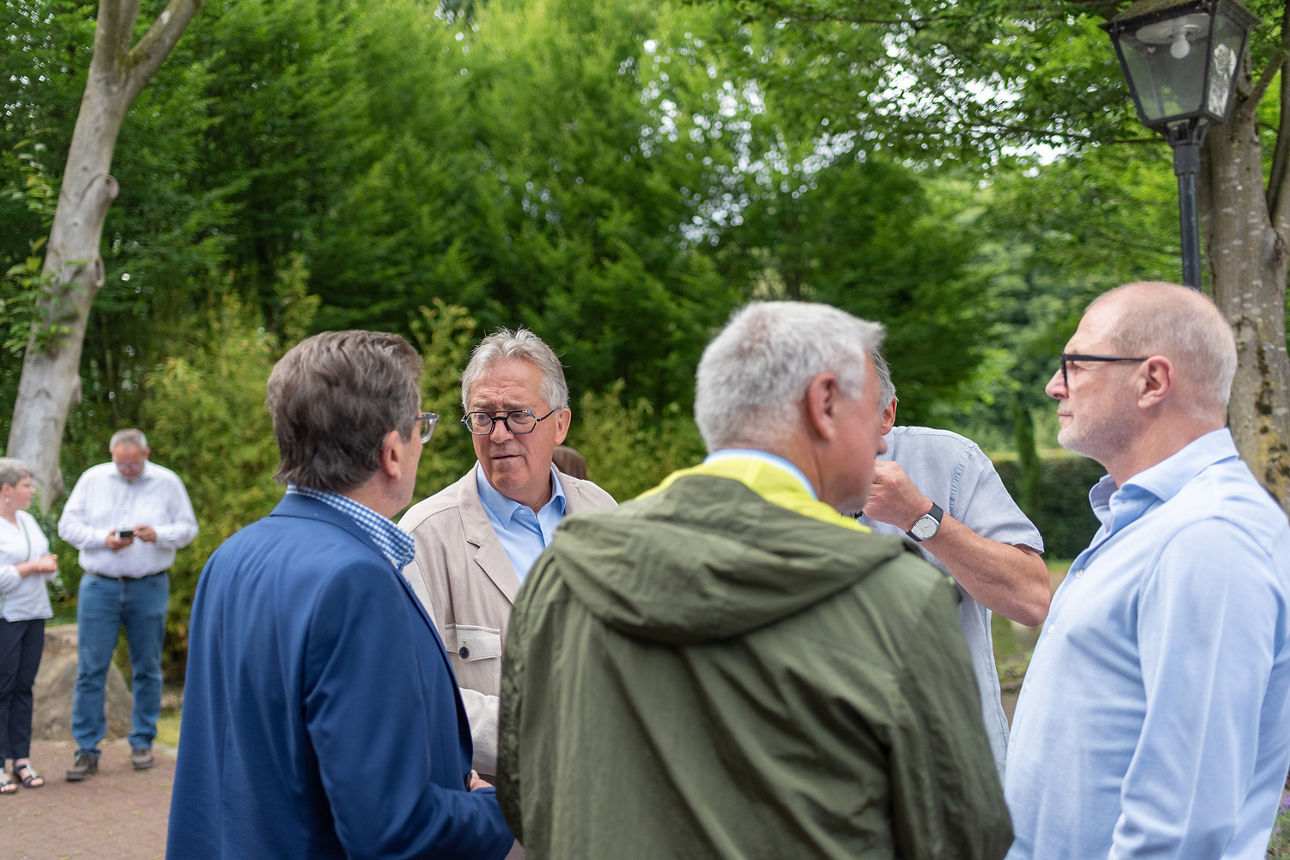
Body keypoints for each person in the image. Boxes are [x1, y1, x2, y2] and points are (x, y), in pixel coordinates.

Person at [497, 301, 1013, 859]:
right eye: (872, 415)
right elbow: (961, 835)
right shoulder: (896, 600)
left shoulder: (561, 575)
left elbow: (524, 792)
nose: (883, 442)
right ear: (824, 405)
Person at [167, 330, 514, 859]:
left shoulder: (231, 557)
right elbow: (394, 830)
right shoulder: (358, 582)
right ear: (391, 452)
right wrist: (512, 809)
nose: (423, 441)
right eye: (421, 427)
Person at [1005, 282, 1290, 859]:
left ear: (1153, 381)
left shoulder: (1206, 536)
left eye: (1076, 363)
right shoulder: (1143, 519)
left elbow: (1183, 826)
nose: (1053, 385)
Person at [399, 328, 615, 781]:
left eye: (518, 416)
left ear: (561, 424)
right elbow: (414, 695)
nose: (499, 434)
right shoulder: (423, 538)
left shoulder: (603, 512)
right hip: (499, 820)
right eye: (483, 417)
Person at [855, 351, 1048, 777]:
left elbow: (1031, 600)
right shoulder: (756, 486)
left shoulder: (948, 462)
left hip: (952, 775)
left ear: (885, 415)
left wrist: (919, 516)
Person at [57, 428, 197, 780]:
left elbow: (188, 528)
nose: (127, 470)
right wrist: (102, 540)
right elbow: (67, 527)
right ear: (112, 455)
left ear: (146, 454)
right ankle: (86, 749)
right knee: (91, 668)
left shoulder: (167, 482)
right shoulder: (93, 479)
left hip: (148, 585)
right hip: (99, 586)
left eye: (133, 464)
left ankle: (142, 741)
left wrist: (158, 534)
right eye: (121, 463)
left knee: (147, 666)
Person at [0, 459, 59, 794]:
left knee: (24, 687)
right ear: (6, 489)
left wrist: (44, 566)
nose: (32, 490)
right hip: (6, 618)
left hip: (35, 613)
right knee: (2, 688)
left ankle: (21, 760)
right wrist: (28, 567)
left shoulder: (29, 521)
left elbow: (47, 563)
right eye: (26, 484)